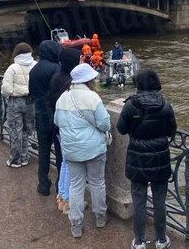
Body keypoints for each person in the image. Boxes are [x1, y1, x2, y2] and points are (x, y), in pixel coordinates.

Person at [117, 68, 177, 249]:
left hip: (138, 158)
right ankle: (160, 239)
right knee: (159, 201)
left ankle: (140, 241)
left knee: (139, 201)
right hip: (160, 157)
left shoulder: (130, 105)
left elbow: (121, 128)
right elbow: (171, 130)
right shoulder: (165, 104)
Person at [55, 63, 111, 238]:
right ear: (89, 80)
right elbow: (104, 124)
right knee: (96, 183)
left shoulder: (62, 98)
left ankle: (76, 224)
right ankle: (100, 216)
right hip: (94, 149)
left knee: (76, 186)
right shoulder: (93, 98)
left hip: (71, 150)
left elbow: (57, 121)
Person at [50, 47, 83, 215]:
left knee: (64, 161)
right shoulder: (70, 82)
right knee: (71, 164)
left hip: (58, 125)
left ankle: (61, 196)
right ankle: (69, 201)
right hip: (70, 128)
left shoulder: (55, 77)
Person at [29, 40, 62, 196]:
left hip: (40, 114)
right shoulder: (56, 68)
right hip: (55, 116)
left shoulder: (34, 69)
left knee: (43, 152)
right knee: (60, 153)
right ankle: (60, 187)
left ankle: (43, 185)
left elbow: (31, 91)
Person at [1, 42, 36, 168]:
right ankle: (25, 156)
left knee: (16, 131)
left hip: (16, 101)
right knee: (27, 130)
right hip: (31, 101)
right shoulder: (35, 65)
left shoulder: (13, 68)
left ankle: (15, 159)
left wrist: (14, 91)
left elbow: (6, 89)